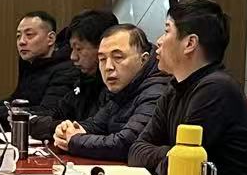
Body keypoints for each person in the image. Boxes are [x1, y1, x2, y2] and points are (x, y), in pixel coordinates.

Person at [128, 0, 247, 175]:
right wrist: (168, 154)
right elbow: (136, 151)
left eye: (167, 31)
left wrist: (169, 157)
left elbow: (180, 168)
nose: (159, 41)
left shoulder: (216, 90)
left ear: (190, 43)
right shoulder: (175, 87)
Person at [55, 23, 170, 161]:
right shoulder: (123, 88)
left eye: (118, 57)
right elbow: (95, 125)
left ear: (143, 60)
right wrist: (67, 130)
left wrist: (75, 140)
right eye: (102, 59)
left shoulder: (156, 91)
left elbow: (127, 143)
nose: (108, 67)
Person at [0, 10, 78, 128]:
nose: (21, 42)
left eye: (29, 35)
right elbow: (18, 100)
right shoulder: (29, 63)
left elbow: (49, 112)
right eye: (18, 36)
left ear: (51, 38)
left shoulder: (67, 68)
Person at [33, 8, 115, 138]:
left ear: (102, 47)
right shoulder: (83, 82)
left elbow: (94, 128)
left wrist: (57, 127)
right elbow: (56, 113)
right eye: (72, 49)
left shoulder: (114, 86)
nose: (73, 57)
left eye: (79, 49)